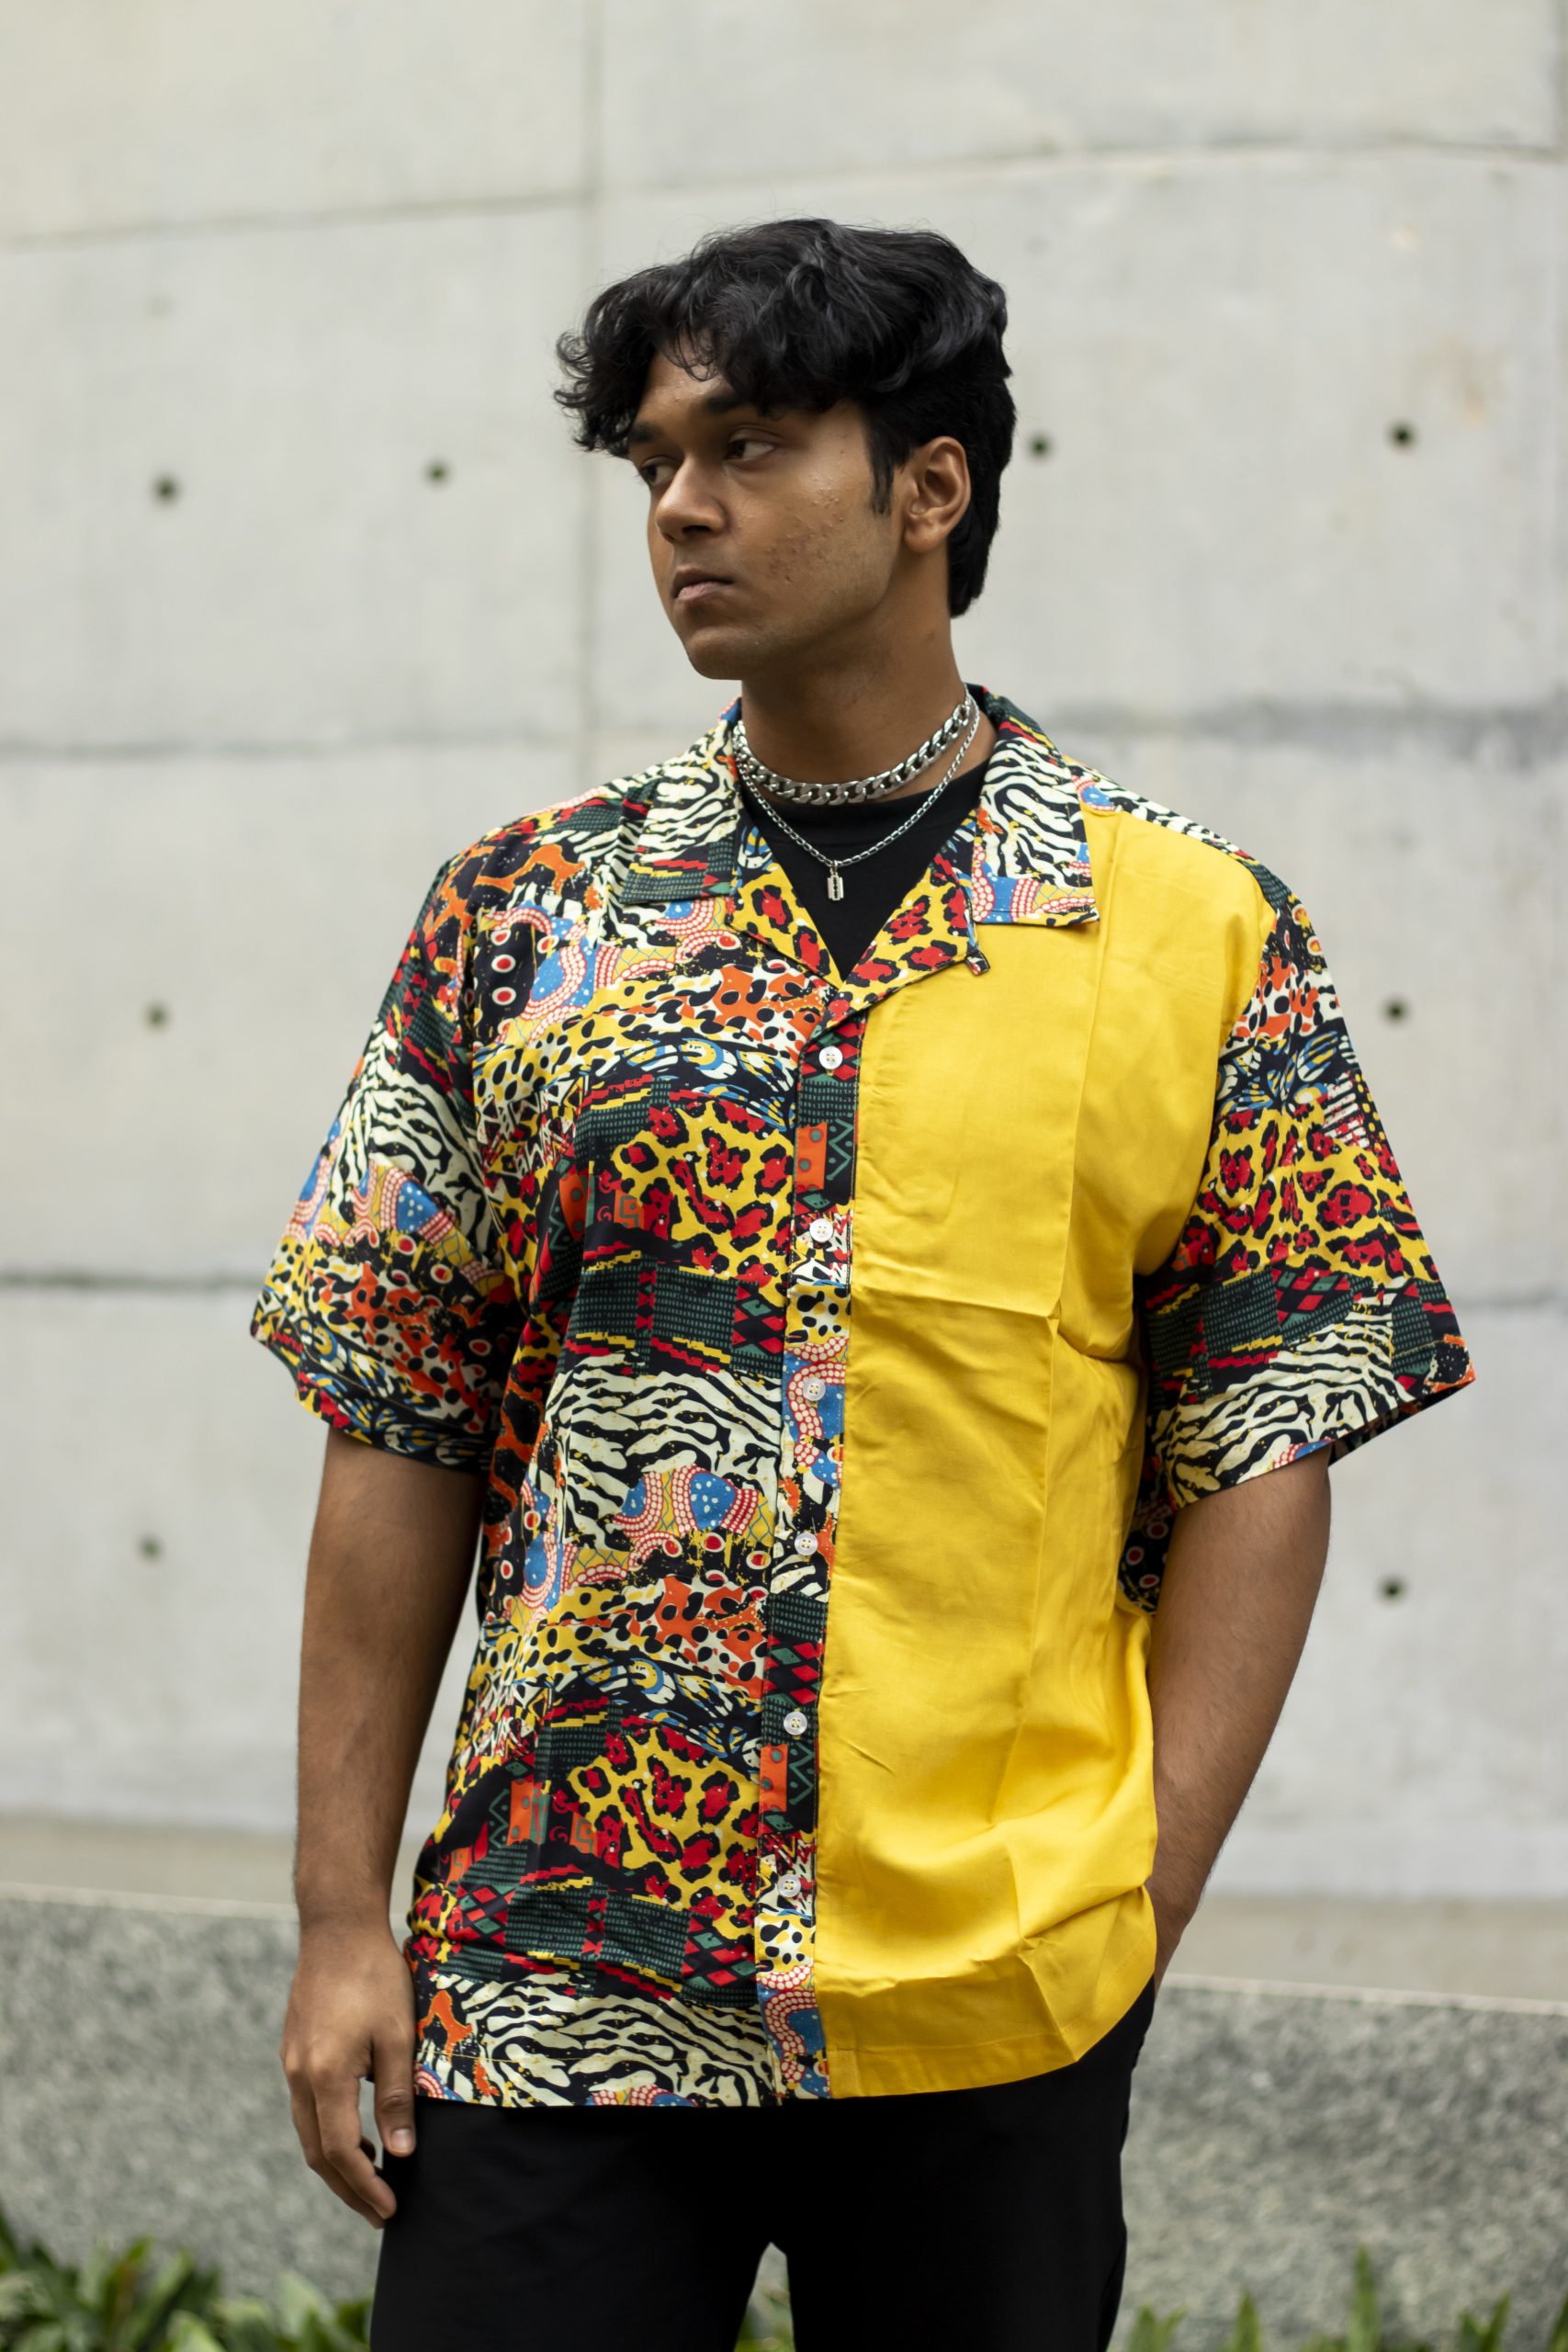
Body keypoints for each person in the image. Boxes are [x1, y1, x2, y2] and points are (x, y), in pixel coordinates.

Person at [250, 218, 1475, 2351]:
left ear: (929, 487)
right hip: (557, 1971)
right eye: (654, 460)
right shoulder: (519, 914)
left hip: (990, 1989)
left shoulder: (1188, 927)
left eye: (746, 445)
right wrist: (339, 1913)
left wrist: (1136, 1895)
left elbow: (1266, 1435)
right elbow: (397, 1405)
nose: (681, 507)